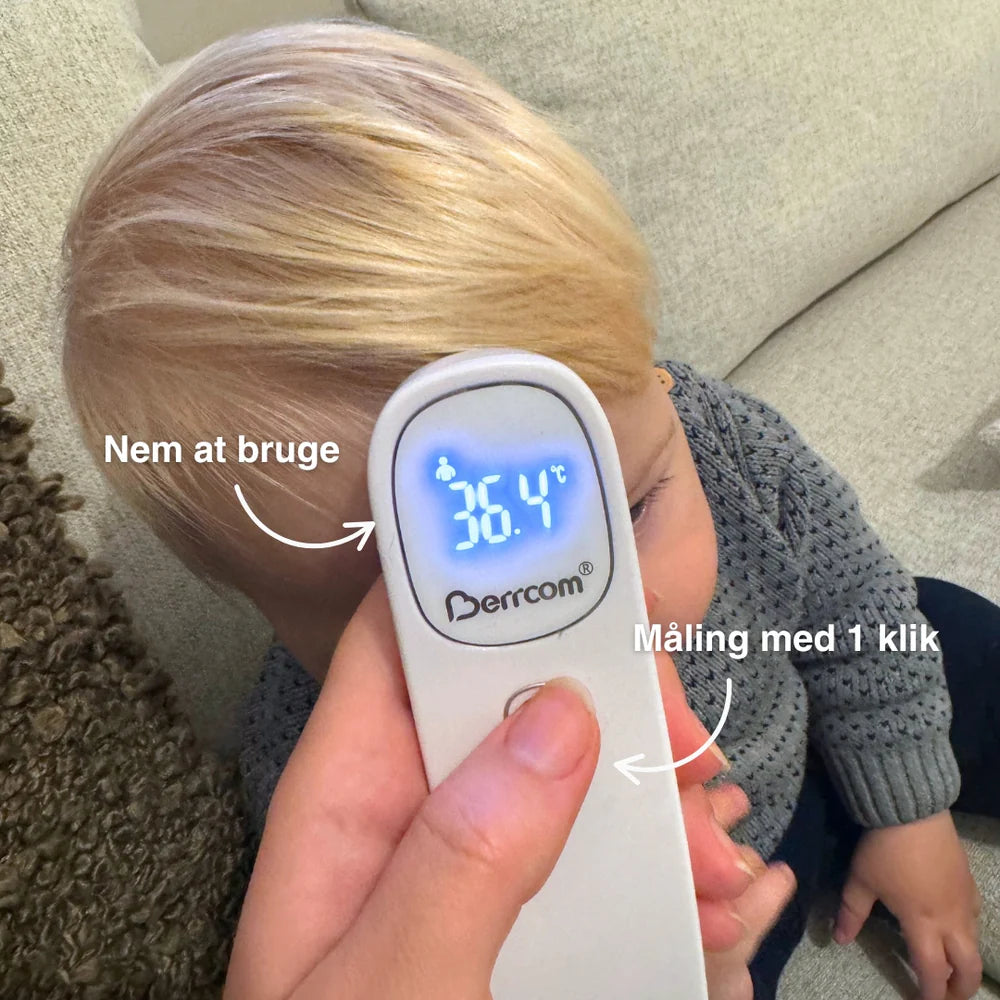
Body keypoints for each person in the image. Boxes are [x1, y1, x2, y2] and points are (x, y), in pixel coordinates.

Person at [60, 20, 993, 998]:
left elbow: (857, 596)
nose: (594, 609)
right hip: (701, 908)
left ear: (653, 381)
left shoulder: (721, 442)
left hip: (818, 717)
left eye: (633, 507)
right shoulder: (316, 789)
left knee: (935, 625)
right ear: (276, 617)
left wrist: (910, 808)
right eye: (440, 606)